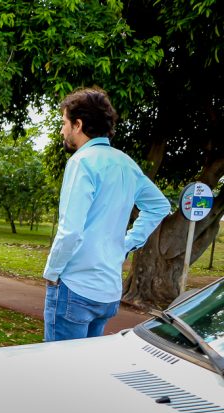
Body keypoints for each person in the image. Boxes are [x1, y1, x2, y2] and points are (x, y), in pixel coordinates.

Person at [43, 87, 168, 341]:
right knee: (86, 371)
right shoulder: (125, 163)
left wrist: (52, 272)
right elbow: (159, 205)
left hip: (75, 287)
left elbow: (70, 231)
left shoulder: (82, 161)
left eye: (64, 123)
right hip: (108, 292)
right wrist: (127, 243)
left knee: (58, 372)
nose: (62, 130)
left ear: (78, 125)